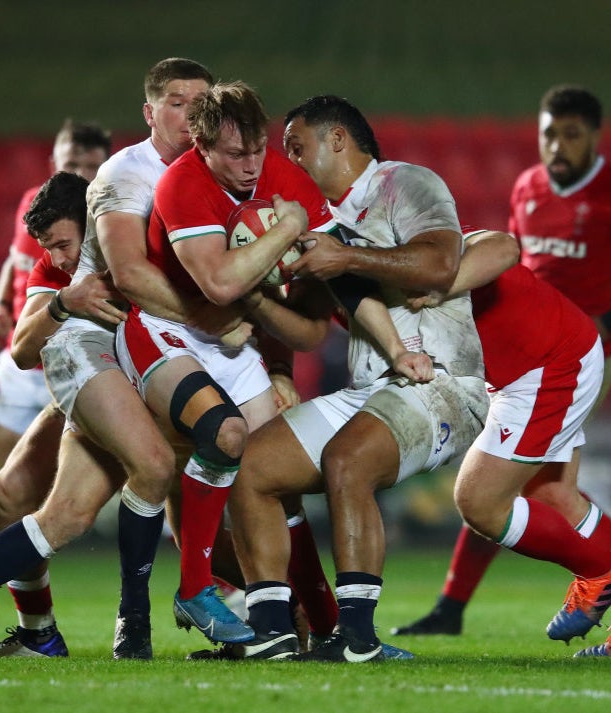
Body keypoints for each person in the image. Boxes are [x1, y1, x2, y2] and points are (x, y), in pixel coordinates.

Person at [0, 58, 219, 660]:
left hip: (156, 373)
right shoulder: (69, 259)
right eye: (52, 250)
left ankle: (256, 609)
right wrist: (67, 302)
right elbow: (21, 347)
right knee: (30, 491)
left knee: (71, 501)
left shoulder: (144, 212)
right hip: (104, 375)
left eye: (67, 245)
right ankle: (108, 626)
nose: (62, 259)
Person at [394, 84, 611, 637]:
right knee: (542, 488)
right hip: (525, 350)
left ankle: (605, 571)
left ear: (595, 138)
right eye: (548, 134)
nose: (557, 145)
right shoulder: (528, 185)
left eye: (571, 135)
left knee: (496, 484)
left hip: (573, 353)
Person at [221, 95, 489, 662]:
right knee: (251, 468)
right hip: (371, 389)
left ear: (337, 139)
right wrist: (257, 310)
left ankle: (358, 639)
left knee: (348, 461)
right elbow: (309, 329)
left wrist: (347, 259)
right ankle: (272, 631)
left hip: (440, 384)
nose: (287, 161)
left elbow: (440, 265)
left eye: (296, 146)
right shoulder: (321, 222)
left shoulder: (406, 184)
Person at [114, 80, 343, 647]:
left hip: (236, 341)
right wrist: (288, 229)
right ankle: (196, 586)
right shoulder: (181, 184)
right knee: (226, 435)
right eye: (233, 155)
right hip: (169, 329)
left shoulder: (278, 175)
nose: (249, 167)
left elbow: (327, 259)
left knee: (276, 479)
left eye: (256, 151)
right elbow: (218, 284)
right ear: (201, 144)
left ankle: (323, 622)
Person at [0, 119, 111, 634]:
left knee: (159, 478)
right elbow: (18, 264)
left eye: (86, 164)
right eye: (67, 161)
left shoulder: (119, 216)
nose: (75, 170)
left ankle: (226, 591)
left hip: (94, 363)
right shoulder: (34, 208)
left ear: (103, 165)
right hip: (33, 357)